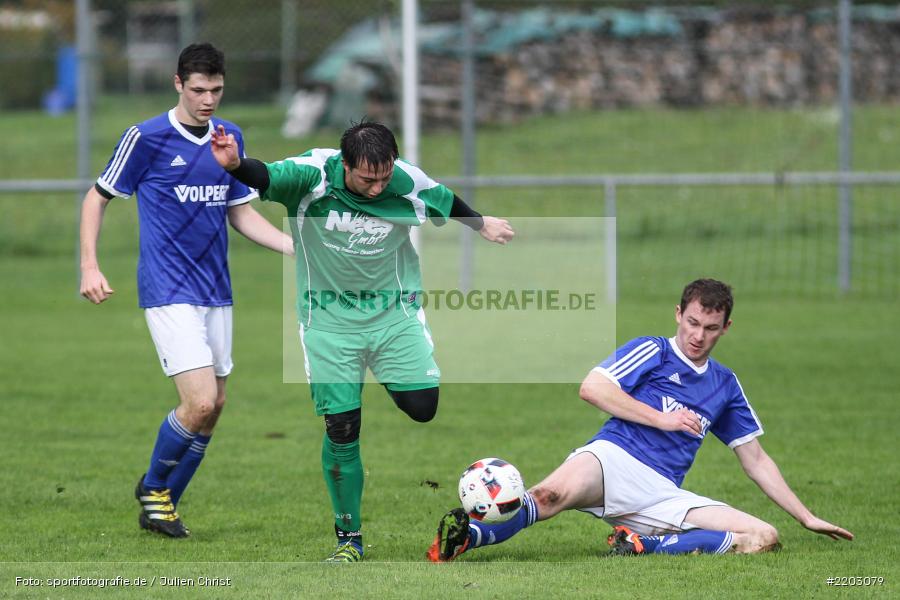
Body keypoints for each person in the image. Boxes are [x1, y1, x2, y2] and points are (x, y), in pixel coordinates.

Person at [210, 120, 515, 561]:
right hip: (328, 322)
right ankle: (348, 539)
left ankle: (381, 372)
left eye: (384, 178)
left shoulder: (404, 180)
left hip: (393, 314)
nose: (377, 188)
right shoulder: (313, 175)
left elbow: (443, 198)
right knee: (343, 429)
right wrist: (237, 164)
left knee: (422, 408)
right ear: (346, 165)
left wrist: (481, 223)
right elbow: (267, 176)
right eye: (367, 179)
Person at [427, 278, 853, 561]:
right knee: (550, 495)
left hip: (660, 493)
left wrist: (806, 516)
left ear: (726, 328)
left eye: (710, 327)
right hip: (612, 458)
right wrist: (662, 420)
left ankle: (641, 545)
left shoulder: (725, 386)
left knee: (763, 537)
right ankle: (470, 536)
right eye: (691, 322)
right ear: (677, 314)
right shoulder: (653, 351)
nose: (697, 335)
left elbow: (756, 460)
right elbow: (592, 388)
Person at [79, 43, 293, 538]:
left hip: (216, 290)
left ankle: (163, 505)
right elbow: (98, 196)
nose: (208, 99)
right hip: (167, 287)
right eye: (198, 89)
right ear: (178, 83)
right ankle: (155, 488)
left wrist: (291, 247)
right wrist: (89, 266)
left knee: (215, 406)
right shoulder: (146, 138)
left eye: (216, 90)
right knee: (197, 402)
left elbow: (238, 210)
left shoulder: (229, 137)